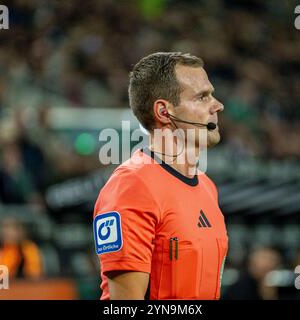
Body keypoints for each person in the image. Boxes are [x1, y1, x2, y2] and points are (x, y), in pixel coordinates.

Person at [93, 52, 227, 300]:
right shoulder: (131, 187)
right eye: (202, 97)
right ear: (164, 112)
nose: (217, 105)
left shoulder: (208, 187)